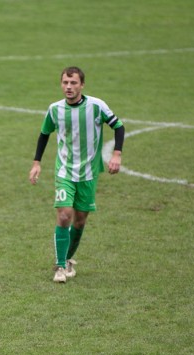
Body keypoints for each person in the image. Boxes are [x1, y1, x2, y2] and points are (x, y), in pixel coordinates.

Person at [28, 66, 125, 283]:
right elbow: (44, 135)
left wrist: (116, 154)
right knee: (64, 216)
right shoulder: (55, 109)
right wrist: (37, 163)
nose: (69, 87)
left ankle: (68, 258)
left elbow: (118, 127)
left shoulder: (97, 106)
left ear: (82, 85)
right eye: (65, 83)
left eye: (73, 83)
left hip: (89, 173)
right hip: (64, 171)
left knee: (80, 221)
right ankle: (60, 266)